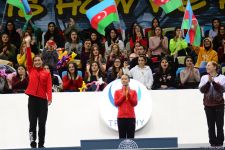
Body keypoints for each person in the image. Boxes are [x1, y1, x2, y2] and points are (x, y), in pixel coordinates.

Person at [24, 36, 52, 148]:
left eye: (38, 60)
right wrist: (27, 44)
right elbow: (28, 58)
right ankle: (32, 142)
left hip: (42, 101)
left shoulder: (46, 73)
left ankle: (41, 144)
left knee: (42, 124)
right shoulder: (30, 69)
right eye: (35, 60)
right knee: (32, 123)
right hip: (32, 100)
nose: (36, 62)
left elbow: (49, 87)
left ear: (42, 61)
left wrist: (49, 98)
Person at [199, 61, 225, 147]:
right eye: (206, 66)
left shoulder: (222, 77)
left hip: (219, 105)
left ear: (215, 67)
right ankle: (213, 143)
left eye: (209, 65)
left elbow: (222, 89)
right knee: (211, 126)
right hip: (208, 105)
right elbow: (202, 90)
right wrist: (208, 82)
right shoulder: (204, 77)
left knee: (220, 125)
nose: (207, 67)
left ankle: (220, 142)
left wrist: (213, 82)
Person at [114, 74, 138, 139]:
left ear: (129, 80)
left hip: (131, 117)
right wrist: (123, 95)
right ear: (121, 81)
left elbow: (135, 103)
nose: (124, 80)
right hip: (121, 117)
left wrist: (129, 95)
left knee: (131, 138)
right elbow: (116, 103)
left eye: (125, 79)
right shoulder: (117, 92)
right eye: (122, 79)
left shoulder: (134, 92)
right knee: (121, 138)